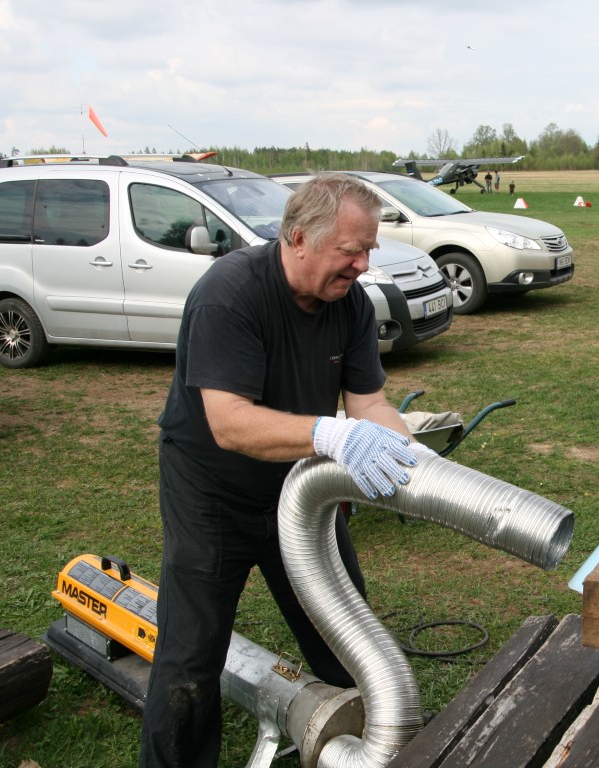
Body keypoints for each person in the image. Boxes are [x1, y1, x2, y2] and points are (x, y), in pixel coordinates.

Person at [139, 173, 425, 768]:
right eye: (352, 251)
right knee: (191, 658)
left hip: (299, 491)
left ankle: (369, 749)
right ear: (299, 237)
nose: (363, 266)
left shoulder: (349, 304)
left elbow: (368, 403)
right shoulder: (230, 294)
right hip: (211, 493)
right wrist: (331, 434)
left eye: (368, 250)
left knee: (345, 636)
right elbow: (230, 423)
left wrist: (415, 463)